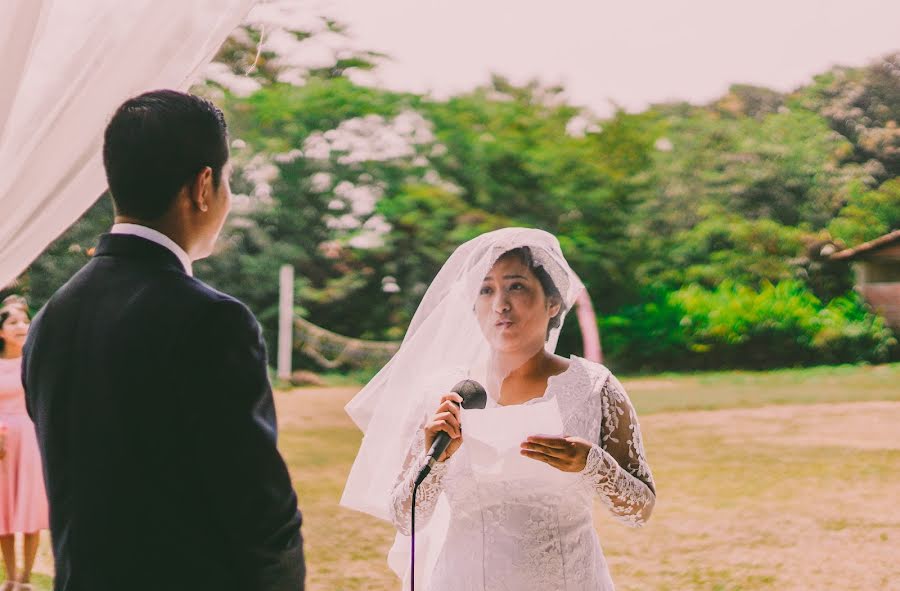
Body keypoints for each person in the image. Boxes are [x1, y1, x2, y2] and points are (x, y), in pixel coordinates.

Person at [22, 90, 304, 591]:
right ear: (203, 186)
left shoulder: (51, 318)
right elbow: (259, 508)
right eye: (228, 179)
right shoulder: (211, 320)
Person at [341, 228, 656, 590]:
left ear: (553, 302)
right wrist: (435, 459)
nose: (500, 304)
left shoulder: (594, 388)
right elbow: (406, 517)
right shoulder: (442, 394)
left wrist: (592, 464)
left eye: (516, 286)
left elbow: (639, 510)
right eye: (486, 289)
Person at [0, 296, 48, 591]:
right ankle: (9, 577)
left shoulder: (36, 360)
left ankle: (25, 580)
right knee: (3, 510)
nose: (21, 326)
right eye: (13, 321)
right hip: (2, 445)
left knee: (29, 508)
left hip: (30, 439)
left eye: (25, 321)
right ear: (1, 331)